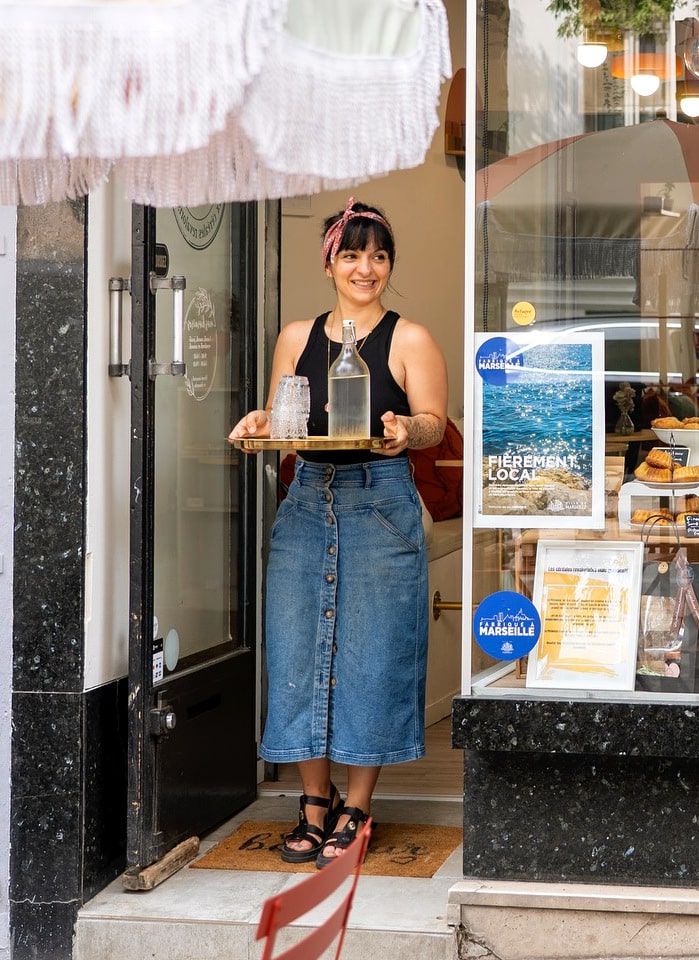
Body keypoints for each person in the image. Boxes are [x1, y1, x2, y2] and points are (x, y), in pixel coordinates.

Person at [229, 198, 447, 869]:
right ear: (329, 263)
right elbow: (283, 417)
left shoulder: (409, 339)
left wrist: (408, 430)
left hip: (380, 501)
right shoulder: (297, 336)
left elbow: (435, 422)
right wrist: (259, 423)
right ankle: (312, 802)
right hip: (306, 501)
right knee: (299, 650)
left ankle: (356, 805)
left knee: (373, 655)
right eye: (351, 255)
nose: (366, 268)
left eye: (378, 256)